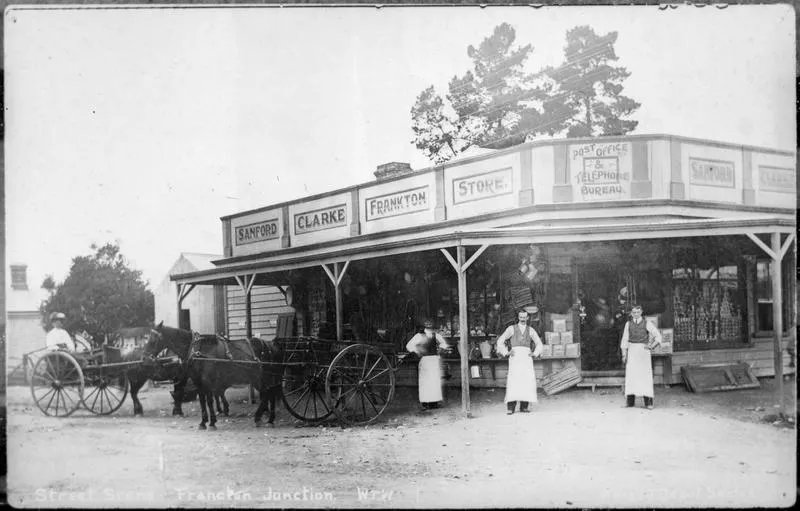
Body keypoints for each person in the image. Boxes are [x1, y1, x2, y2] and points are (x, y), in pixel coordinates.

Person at [495, 309, 543, 415]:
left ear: (527, 318)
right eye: (520, 317)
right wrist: (506, 352)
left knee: (526, 381)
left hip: (526, 358)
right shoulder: (511, 329)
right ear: (518, 317)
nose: (522, 319)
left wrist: (535, 353)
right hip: (515, 358)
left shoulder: (531, 330)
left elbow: (539, 343)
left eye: (524, 317)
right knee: (514, 381)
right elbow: (500, 341)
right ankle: (511, 408)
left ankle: (524, 407)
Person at [620, 304, 662, 410]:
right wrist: (624, 354)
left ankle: (648, 403)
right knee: (631, 376)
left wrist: (651, 346)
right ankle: (630, 402)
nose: (636, 314)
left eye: (638, 312)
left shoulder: (647, 323)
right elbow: (624, 340)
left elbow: (658, 336)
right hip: (632, 351)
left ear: (641, 312)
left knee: (645, 376)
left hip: (643, 352)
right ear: (631, 313)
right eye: (634, 312)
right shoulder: (628, 324)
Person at [406, 319, 448, 410]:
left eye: (430, 322)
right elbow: (409, 346)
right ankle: (425, 403)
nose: (428, 324)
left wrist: (440, 350)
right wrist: (417, 351)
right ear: (424, 324)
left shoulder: (436, 335)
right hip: (425, 360)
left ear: (433, 324)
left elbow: (444, 344)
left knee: (434, 381)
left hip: (434, 360)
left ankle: (434, 403)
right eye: (426, 322)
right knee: (425, 382)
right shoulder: (419, 335)